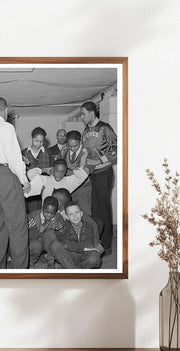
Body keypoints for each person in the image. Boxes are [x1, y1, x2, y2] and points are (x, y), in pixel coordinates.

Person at [0, 97, 30, 269]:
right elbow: (14, 158)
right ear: (6, 109)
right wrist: (24, 180)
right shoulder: (7, 127)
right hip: (5, 176)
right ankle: (20, 273)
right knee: (17, 227)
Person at [80, 101, 117, 255]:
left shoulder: (105, 128)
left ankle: (107, 245)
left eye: (83, 114)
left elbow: (117, 150)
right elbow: (86, 152)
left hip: (104, 173)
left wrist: (98, 161)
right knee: (95, 209)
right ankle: (98, 241)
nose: (82, 117)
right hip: (92, 174)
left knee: (103, 208)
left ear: (91, 113)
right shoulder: (85, 131)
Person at [53, 201, 103, 269]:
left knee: (94, 256)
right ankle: (75, 270)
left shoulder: (89, 226)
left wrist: (70, 245)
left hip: (84, 255)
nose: (75, 216)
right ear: (67, 217)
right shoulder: (64, 225)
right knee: (54, 245)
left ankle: (69, 268)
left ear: (81, 213)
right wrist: (60, 230)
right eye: (70, 214)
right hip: (71, 254)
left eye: (77, 212)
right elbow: (63, 241)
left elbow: (88, 243)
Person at [28, 196, 66, 267]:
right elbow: (26, 234)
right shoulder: (33, 216)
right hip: (35, 242)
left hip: (48, 244)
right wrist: (38, 233)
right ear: (42, 208)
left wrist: (60, 229)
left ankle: (51, 261)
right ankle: (32, 260)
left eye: (52, 213)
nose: (49, 215)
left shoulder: (58, 218)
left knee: (51, 233)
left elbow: (62, 236)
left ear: (56, 211)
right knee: (36, 244)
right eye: (46, 212)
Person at [62, 130, 92, 215]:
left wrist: (70, 167)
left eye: (75, 146)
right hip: (69, 186)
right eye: (70, 146)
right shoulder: (64, 150)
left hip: (83, 187)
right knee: (69, 213)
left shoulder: (87, 152)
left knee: (84, 212)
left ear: (81, 140)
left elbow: (85, 172)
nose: (72, 148)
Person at [22, 127, 51, 213]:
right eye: (36, 141)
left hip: (45, 188)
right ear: (31, 138)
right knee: (33, 212)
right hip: (31, 190)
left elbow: (51, 169)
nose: (39, 144)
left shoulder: (48, 152)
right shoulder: (23, 153)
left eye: (41, 141)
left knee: (46, 210)